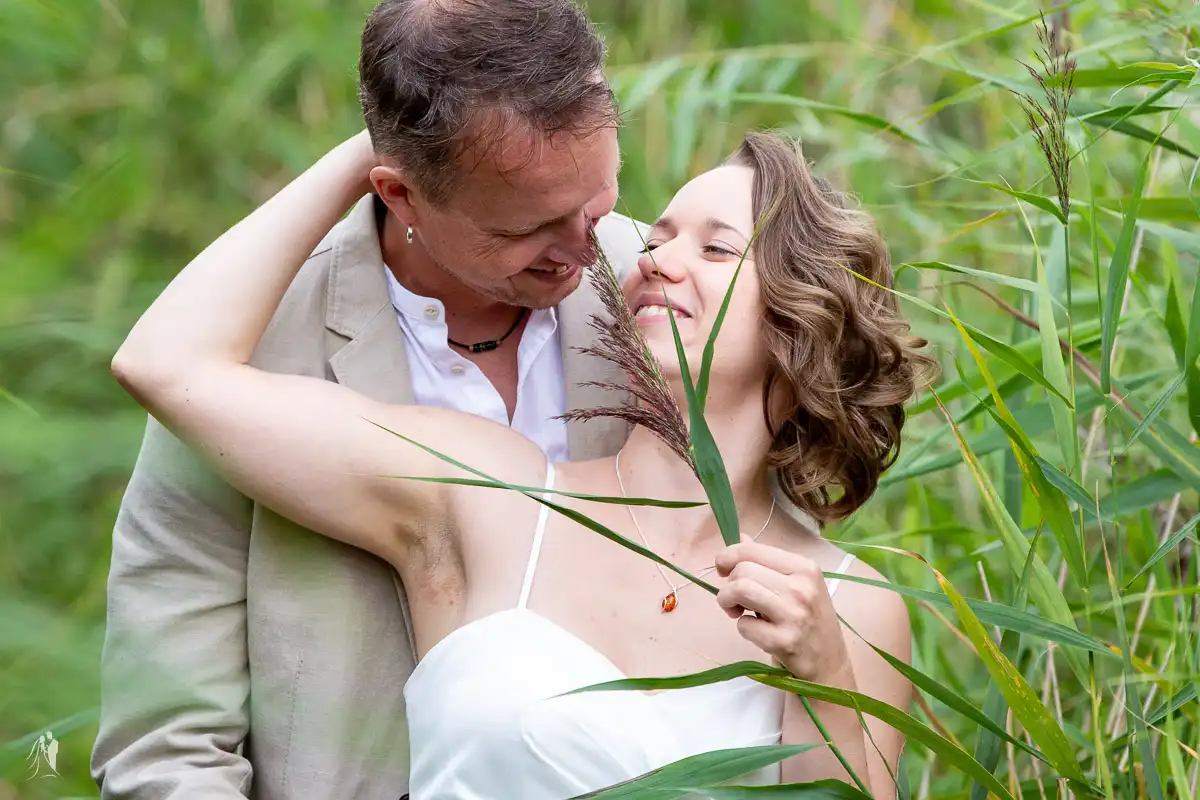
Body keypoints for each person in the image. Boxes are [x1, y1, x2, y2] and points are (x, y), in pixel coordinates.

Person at [110, 126, 934, 798]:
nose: (652, 258)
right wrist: (386, 147)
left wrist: (823, 674)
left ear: (804, 325)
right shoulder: (487, 493)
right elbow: (167, 365)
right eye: (658, 236)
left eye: (715, 251)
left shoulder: (851, 606)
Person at [90, 2, 646, 798]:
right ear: (400, 192)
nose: (586, 247)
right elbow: (166, 741)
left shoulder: (666, 295)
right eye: (529, 227)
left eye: (596, 200)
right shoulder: (239, 349)